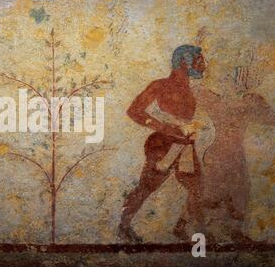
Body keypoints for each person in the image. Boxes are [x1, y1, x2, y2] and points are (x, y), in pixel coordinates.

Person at [118, 45, 206, 242]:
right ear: (184, 61)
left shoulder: (191, 89)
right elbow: (134, 110)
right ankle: (123, 227)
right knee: (147, 187)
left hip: (184, 146)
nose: (203, 65)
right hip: (164, 145)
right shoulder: (160, 85)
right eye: (199, 60)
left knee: (198, 188)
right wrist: (163, 127)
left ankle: (180, 227)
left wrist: (190, 130)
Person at [196, 64, 275, 242]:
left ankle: (234, 232)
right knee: (215, 192)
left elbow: (270, 119)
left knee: (239, 191)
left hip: (229, 153)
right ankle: (204, 231)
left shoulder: (228, 100)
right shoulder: (247, 101)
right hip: (221, 153)